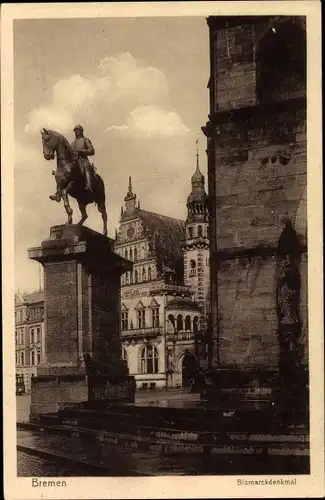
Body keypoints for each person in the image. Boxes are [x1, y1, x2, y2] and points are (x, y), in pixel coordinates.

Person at [70, 124, 95, 193]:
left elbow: (91, 151)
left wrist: (80, 151)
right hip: (74, 161)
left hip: (83, 160)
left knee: (86, 167)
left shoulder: (85, 140)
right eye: (75, 131)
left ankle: (89, 185)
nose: (76, 132)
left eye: (78, 130)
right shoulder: (72, 143)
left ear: (81, 131)